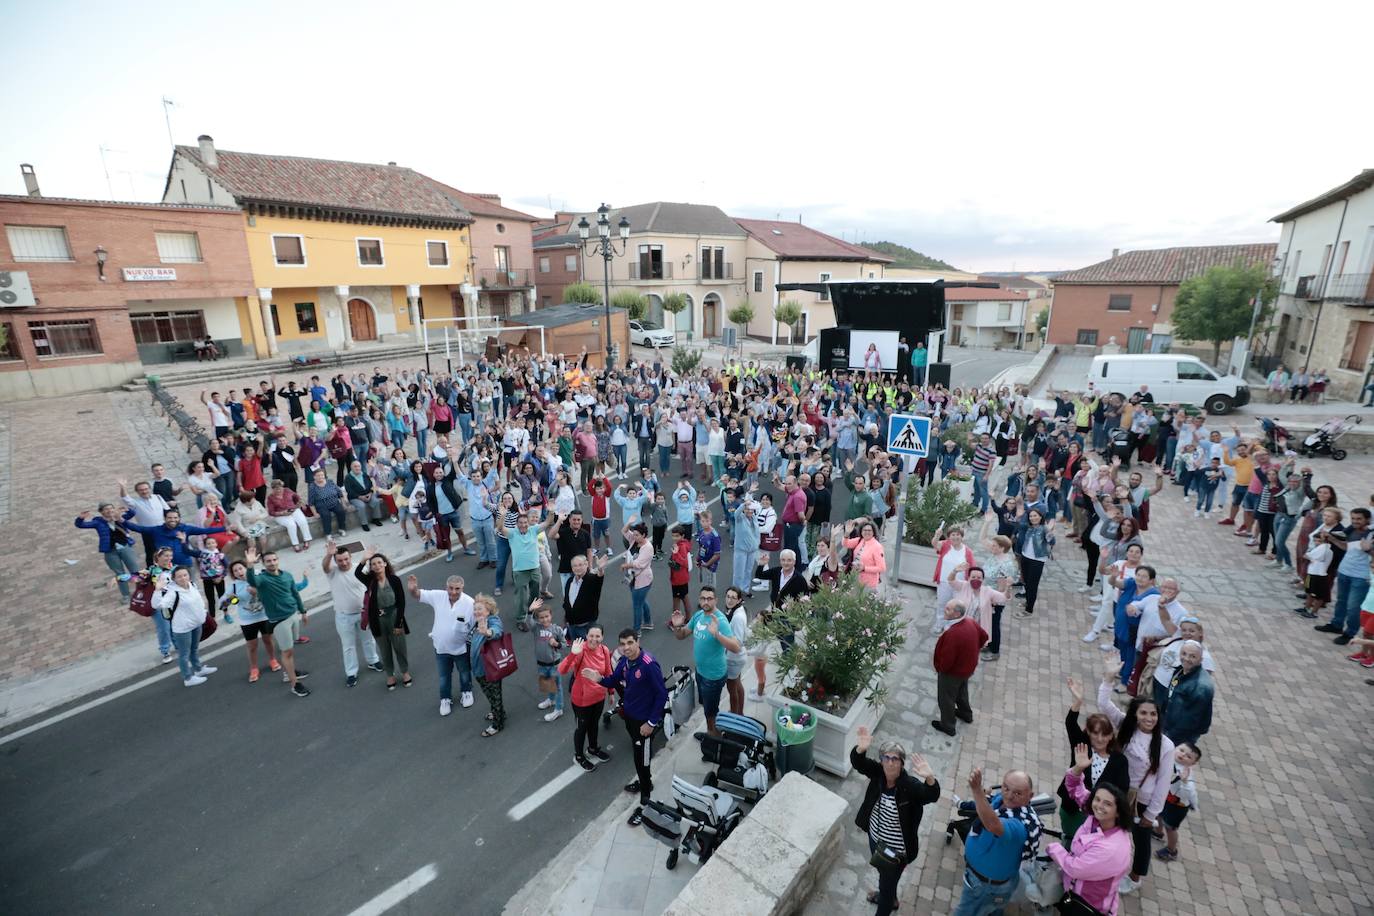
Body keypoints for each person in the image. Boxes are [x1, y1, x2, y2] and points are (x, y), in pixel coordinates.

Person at [1098, 653, 1175, 895]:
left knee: (1140, 840)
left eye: (1153, 714)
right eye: (1143, 713)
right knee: (1110, 830)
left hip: (1141, 800)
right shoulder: (1124, 727)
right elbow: (1103, 705)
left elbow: (1163, 784)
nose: (1149, 718)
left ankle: (1135, 876)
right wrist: (1109, 678)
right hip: (1116, 791)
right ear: (1135, 715)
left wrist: (1151, 814)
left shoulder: (1165, 745)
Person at [850, 725, 941, 916]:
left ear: (901, 763)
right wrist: (861, 748)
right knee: (885, 877)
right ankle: (890, 895)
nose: (890, 763)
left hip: (897, 851)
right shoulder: (878, 774)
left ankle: (887, 900)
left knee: (886, 883)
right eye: (886, 758)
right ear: (882, 761)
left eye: (895, 759)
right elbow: (859, 763)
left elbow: (930, 795)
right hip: (875, 839)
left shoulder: (910, 786)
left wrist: (930, 778)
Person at [587, 628, 668, 823]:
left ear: (637, 642)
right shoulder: (624, 662)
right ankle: (644, 781)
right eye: (622, 644)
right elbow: (614, 681)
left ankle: (645, 803)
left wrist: (651, 723)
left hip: (644, 723)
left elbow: (662, 695)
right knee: (638, 756)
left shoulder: (649, 665)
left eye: (630, 643)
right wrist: (599, 679)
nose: (626, 648)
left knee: (642, 759)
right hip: (631, 719)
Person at [1046, 744, 1134, 916]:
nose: (1099, 806)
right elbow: (1076, 790)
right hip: (1074, 892)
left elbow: (1074, 868)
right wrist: (1078, 769)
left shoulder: (1112, 848)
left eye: (1107, 803)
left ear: (1118, 811)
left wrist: (1054, 849)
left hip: (1087, 905)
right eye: (1097, 799)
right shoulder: (1099, 816)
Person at [1058, 677, 1130, 847]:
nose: (1100, 738)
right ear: (1088, 733)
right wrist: (1078, 700)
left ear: (1111, 736)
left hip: (1099, 815)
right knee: (1070, 840)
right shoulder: (1082, 747)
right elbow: (1070, 723)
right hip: (1072, 809)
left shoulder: (1120, 761)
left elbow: (1122, 790)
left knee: (1087, 846)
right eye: (1095, 733)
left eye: (1105, 734)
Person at [951, 768, 1032, 915]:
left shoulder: (1019, 825)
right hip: (989, 882)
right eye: (1006, 788)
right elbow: (988, 805)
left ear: (1029, 796)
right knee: (994, 909)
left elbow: (993, 824)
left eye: (1018, 793)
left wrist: (977, 791)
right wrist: (984, 795)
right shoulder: (1003, 801)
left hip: (986, 885)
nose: (1009, 795)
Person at [669, 585, 740, 736]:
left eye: (709, 598)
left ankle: (712, 737)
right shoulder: (698, 615)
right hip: (700, 673)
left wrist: (717, 635)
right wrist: (677, 627)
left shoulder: (719, 620)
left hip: (713, 676)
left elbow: (735, 647)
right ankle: (711, 731)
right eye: (703, 598)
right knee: (706, 705)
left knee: (710, 712)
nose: (706, 601)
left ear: (716, 600)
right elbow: (681, 636)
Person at [244, 547, 309, 697]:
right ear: (263, 563)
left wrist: (303, 611)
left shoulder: (287, 575)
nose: (272, 563)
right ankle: (294, 684)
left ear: (278, 560)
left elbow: (294, 593)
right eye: (268, 561)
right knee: (287, 652)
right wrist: (250, 566)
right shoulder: (262, 579)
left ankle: (290, 672)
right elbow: (252, 580)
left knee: (288, 649)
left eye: (274, 560)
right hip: (279, 621)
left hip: (293, 615)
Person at [410, 573, 475, 714]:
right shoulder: (438, 596)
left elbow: (475, 626)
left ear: (462, 588)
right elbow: (418, 595)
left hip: (461, 649)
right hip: (441, 648)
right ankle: (445, 699)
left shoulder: (470, 603)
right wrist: (412, 589)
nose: (453, 592)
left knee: (464, 672)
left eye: (457, 589)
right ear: (446, 587)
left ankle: (467, 691)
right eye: (451, 588)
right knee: (444, 676)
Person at [320, 541, 382, 688]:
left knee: (368, 640)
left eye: (346, 559)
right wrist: (329, 554)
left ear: (350, 557)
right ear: (335, 561)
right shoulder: (332, 572)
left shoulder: (359, 569)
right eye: (340, 560)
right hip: (343, 616)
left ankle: (373, 661)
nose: (344, 562)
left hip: (363, 614)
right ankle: (351, 673)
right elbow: (324, 566)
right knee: (348, 646)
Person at [355, 546, 411, 691]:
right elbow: (357, 573)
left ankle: (405, 672)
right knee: (384, 649)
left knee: (400, 646)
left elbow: (401, 602)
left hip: (394, 617)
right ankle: (390, 675)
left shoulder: (394, 580)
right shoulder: (370, 581)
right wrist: (364, 559)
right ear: (371, 568)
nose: (377, 565)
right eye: (373, 564)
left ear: (385, 564)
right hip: (378, 621)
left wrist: (399, 623)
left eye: (379, 562)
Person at [153, 565, 217, 687]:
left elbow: (198, 602)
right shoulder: (172, 593)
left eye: (185, 575)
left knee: (194, 649)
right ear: (174, 579)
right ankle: (188, 678)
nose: (183, 578)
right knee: (184, 654)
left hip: (196, 625)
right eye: (179, 576)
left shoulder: (192, 585)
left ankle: (198, 669)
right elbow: (157, 605)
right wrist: (157, 590)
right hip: (182, 629)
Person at [931, 600, 988, 736]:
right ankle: (965, 714)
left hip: (952, 673)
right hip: (967, 669)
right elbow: (984, 636)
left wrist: (940, 669)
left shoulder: (953, 634)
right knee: (962, 692)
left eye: (948, 609)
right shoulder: (970, 621)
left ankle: (948, 726)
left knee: (946, 698)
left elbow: (947, 660)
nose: (944, 610)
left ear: (956, 613)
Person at [561, 625, 614, 771]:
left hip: (598, 697)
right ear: (586, 635)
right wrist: (572, 654)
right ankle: (578, 756)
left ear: (602, 637)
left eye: (598, 636)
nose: (594, 639)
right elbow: (562, 670)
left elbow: (608, 671)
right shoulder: (580, 651)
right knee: (581, 728)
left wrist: (611, 691)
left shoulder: (604, 650)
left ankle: (593, 749)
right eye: (591, 636)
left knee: (594, 724)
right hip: (582, 700)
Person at [75, 503, 139, 603]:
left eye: (111, 508)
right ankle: (126, 595)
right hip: (110, 551)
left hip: (125, 547)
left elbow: (132, 513)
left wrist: (127, 509)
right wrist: (80, 518)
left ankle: (141, 592)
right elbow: (81, 525)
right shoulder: (98, 522)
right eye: (106, 509)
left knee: (135, 570)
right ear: (101, 512)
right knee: (120, 573)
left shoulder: (119, 518)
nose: (109, 511)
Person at [1157, 641, 1214, 746]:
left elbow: (1190, 720)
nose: (1187, 658)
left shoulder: (1201, 687)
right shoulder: (1180, 670)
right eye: (1184, 654)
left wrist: (1168, 738)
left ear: (1200, 660)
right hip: (1168, 725)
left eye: (1192, 656)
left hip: (1180, 736)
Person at [1153, 742, 1201, 863]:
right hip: (1166, 798)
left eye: (1189, 756)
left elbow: (1191, 794)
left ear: (1193, 763)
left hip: (1177, 807)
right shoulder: (1170, 760)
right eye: (1181, 750)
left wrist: (1184, 782)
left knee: (1170, 827)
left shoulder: (1186, 776)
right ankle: (1157, 832)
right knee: (1159, 814)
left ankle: (1171, 850)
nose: (1183, 755)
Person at [470, 594, 507, 736]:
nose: (476, 611)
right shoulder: (478, 622)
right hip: (479, 668)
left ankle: (498, 724)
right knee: (489, 694)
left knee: (495, 695)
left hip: (490, 668)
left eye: (480, 608)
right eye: (475, 609)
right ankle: (497, 712)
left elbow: (497, 631)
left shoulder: (492, 621)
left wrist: (488, 632)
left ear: (488, 610)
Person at [530, 598, 567, 722]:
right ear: (538, 619)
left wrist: (556, 643)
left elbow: (564, 644)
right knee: (547, 682)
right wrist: (531, 611)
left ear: (551, 616)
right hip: (541, 663)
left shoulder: (556, 630)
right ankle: (551, 700)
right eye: (541, 617)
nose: (545, 619)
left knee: (557, 686)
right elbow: (529, 623)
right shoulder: (537, 628)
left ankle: (559, 708)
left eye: (547, 616)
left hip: (554, 664)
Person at [722, 585, 751, 715]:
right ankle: (739, 712)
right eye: (728, 597)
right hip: (737, 657)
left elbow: (737, 642)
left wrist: (720, 638)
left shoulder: (738, 617)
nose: (729, 600)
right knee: (737, 683)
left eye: (733, 598)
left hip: (734, 658)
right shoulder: (735, 611)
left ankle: (735, 715)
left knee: (732, 687)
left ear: (739, 600)